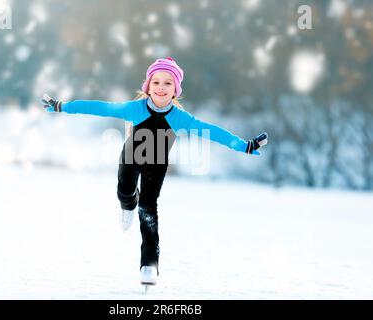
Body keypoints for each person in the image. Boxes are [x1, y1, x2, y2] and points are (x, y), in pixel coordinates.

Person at [41, 57, 268, 286]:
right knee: (124, 192)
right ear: (148, 87)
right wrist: (62, 106)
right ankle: (127, 205)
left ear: (175, 91)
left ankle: (149, 264)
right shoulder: (135, 109)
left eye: (168, 83)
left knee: (148, 209)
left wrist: (245, 145)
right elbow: (99, 107)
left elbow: (212, 131)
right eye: (156, 82)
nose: (161, 87)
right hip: (130, 160)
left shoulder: (180, 118)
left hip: (156, 166)